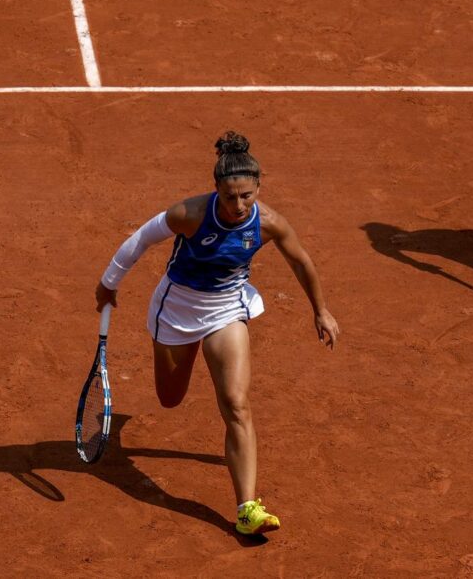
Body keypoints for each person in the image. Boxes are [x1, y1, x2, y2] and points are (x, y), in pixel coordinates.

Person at [95, 131, 340, 536]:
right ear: (217, 191)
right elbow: (140, 240)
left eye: (247, 196)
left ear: (258, 187)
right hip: (176, 311)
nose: (239, 206)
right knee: (170, 399)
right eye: (230, 197)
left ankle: (247, 508)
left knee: (236, 403)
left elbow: (302, 262)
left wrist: (321, 310)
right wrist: (109, 283)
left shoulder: (271, 223)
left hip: (227, 310)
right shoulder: (188, 214)